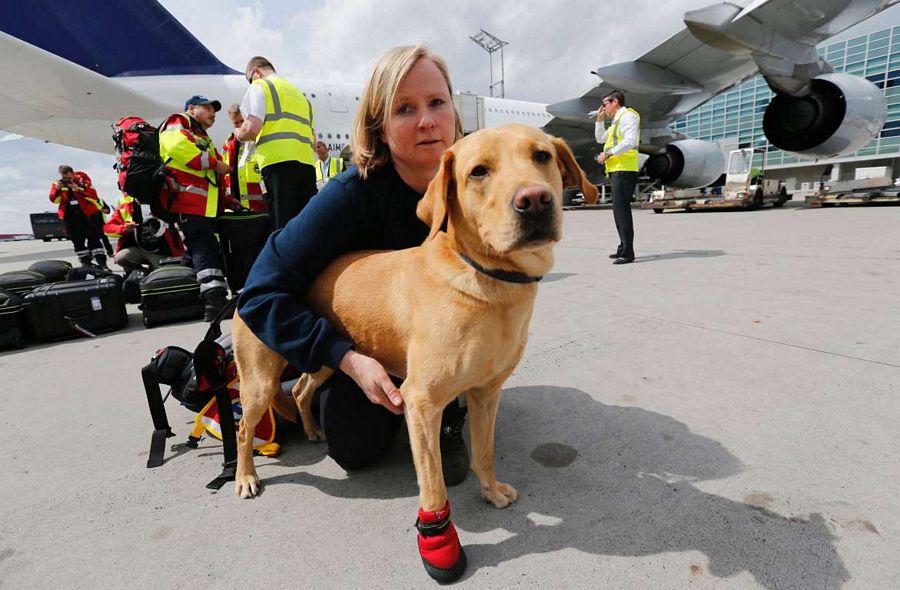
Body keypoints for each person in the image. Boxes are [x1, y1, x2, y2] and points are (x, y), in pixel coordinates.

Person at [237, 45, 468, 581]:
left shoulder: (469, 184)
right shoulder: (349, 197)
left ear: (455, 112)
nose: (427, 121)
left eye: (437, 101)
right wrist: (345, 358)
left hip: (435, 343)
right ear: (378, 126)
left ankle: (449, 412)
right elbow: (257, 296)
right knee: (357, 450)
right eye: (404, 109)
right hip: (363, 347)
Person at [158, 95, 231, 320]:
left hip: (201, 206)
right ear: (191, 109)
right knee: (205, 249)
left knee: (195, 252)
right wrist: (214, 163)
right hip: (188, 204)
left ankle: (186, 295)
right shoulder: (178, 121)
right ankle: (215, 303)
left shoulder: (201, 135)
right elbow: (177, 147)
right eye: (208, 108)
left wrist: (227, 200)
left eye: (215, 110)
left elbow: (211, 176)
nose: (213, 113)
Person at [235, 56, 316, 229]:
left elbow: (251, 128)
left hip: (278, 164)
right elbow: (313, 137)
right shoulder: (301, 97)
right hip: (307, 166)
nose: (251, 83)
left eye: (250, 79)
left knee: (283, 226)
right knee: (308, 225)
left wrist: (238, 135)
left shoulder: (260, 86)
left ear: (256, 71)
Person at [596, 89, 640, 264]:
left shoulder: (628, 116)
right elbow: (600, 138)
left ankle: (628, 253)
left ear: (615, 102)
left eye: (605, 104)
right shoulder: (615, 122)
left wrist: (607, 155)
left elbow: (630, 141)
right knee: (618, 211)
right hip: (617, 170)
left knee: (622, 212)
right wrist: (599, 120)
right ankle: (623, 247)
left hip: (625, 170)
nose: (603, 108)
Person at [104, 194, 185, 274]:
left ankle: (155, 271)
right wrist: (124, 228)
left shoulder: (163, 204)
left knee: (163, 275)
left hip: (162, 251)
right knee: (121, 257)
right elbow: (107, 228)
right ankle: (142, 273)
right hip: (138, 250)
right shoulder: (126, 208)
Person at [48, 165, 108, 268]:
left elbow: (93, 194)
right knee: (77, 242)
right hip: (70, 217)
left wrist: (77, 188)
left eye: (68, 177)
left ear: (72, 173)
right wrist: (58, 189)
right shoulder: (57, 184)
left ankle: (102, 264)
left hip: (86, 215)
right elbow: (53, 199)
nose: (66, 179)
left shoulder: (82, 180)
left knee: (94, 240)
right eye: (64, 177)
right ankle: (86, 264)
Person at [221, 103, 266, 212]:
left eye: (242, 121)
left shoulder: (257, 136)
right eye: (236, 123)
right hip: (235, 203)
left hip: (259, 203)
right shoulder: (228, 142)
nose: (240, 125)